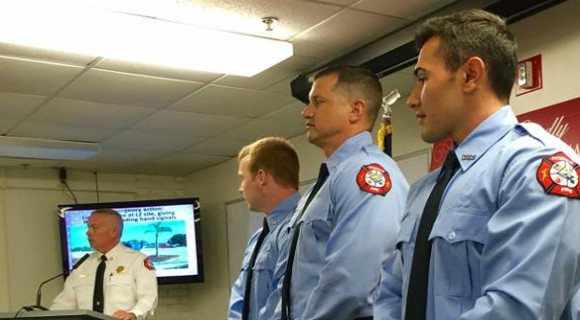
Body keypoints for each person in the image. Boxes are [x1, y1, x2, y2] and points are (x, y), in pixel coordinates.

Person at [374, 9, 580, 320]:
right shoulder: (424, 190)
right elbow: (391, 293)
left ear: (471, 75)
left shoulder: (535, 169)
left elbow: (517, 310)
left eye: (422, 78)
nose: (412, 99)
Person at [273, 66, 409, 320]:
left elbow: (353, 282)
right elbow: (291, 284)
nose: (306, 111)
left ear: (355, 110)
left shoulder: (367, 174)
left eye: (318, 102)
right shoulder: (326, 183)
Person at [229, 137, 301, 320]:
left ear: (261, 177)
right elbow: (239, 298)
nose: (240, 188)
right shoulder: (258, 238)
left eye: (242, 178)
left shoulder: (300, 229)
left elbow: (284, 306)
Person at [51, 209, 158, 320]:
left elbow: (149, 298)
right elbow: (64, 303)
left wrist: (132, 314)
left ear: (113, 231)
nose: (88, 232)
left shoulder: (137, 261)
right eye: (88, 227)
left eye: (94, 227)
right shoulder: (81, 266)